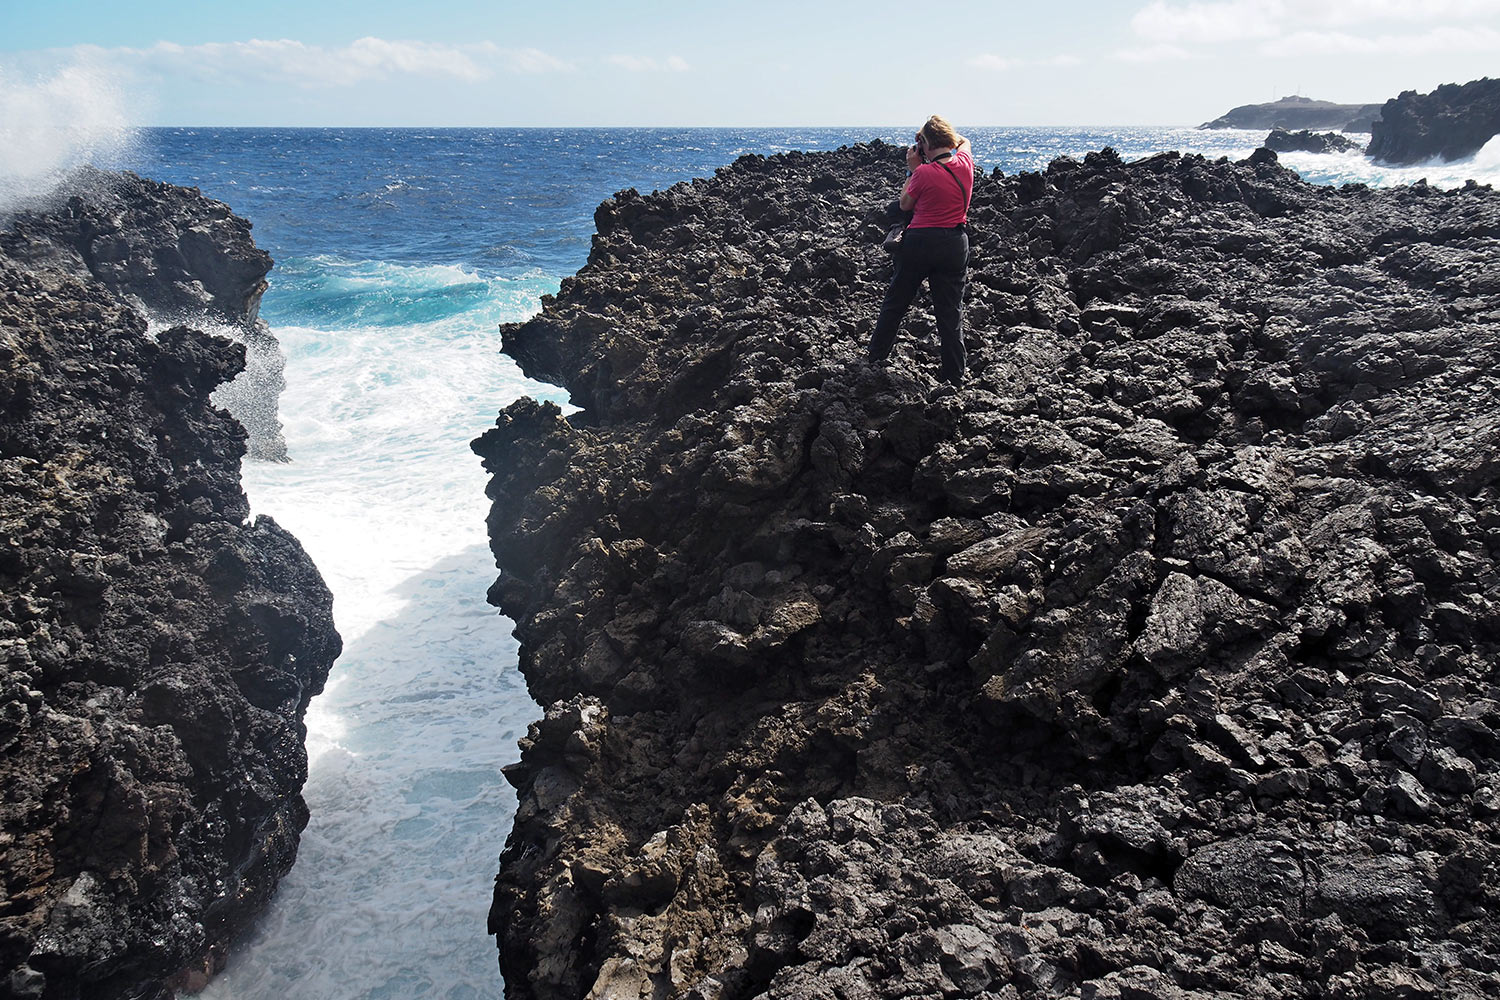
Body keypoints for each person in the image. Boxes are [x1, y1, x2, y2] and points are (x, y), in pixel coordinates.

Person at [868, 115, 974, 386]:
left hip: (921, 243)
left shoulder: (923, 173)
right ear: (948, 139)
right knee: (950, 312)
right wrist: (937, 137)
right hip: (955, 243)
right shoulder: (965, 164)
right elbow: (964, 142)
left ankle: (875, 359)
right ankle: (954, 378)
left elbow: (904, 204)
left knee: (896, 303)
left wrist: (912, 169)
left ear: (925, 144)